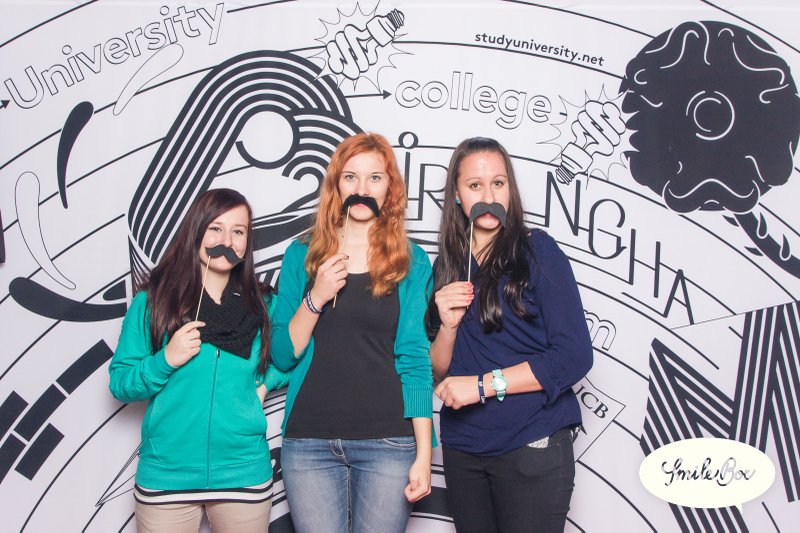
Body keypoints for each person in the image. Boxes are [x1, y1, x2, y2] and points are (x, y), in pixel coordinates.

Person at [425, 137, 593, 533]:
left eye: (498, 183)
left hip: (530, 443)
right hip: (464, 449)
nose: (489, 197)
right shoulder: (447, 266)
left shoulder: (537, 252)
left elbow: (574, 355)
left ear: (510, 190)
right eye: (475, 185)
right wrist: (447, 326)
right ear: (456, 196)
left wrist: (481, 386)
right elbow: (439, 372)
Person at [271, 132, 433, 532]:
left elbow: (414, 359)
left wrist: (425, 454)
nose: (362, 189)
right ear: (335, 185)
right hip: (308, 443)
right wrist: (316, 296)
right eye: (350, 177)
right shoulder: (301, 255)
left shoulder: (411, 261)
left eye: (374, 178)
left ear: (390, 188)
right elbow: (282, 354)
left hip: (388, 444)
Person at [109, 188, 290, 532]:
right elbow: (120, 382)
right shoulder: (154, 302)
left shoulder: (265, 305)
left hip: (242, 472)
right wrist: (165, 359)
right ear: (196, 230)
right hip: (167, 475)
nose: (227, 241)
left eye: (238, 231)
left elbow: (294, 355)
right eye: (215, 228)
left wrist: (266, 384)